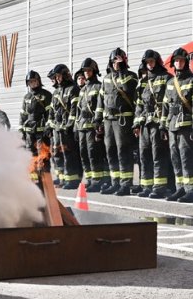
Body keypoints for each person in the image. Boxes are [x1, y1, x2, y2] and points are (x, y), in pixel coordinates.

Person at [161, 47, 193, 202]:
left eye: (181, 60)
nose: (178, 63)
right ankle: (180, 188)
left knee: (187, 158)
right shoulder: (171, 82)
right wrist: (163, 126)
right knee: (175, 158)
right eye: (176, 61)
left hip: (186, 127)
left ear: (186, 62)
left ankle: (192, 190)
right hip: (172, 126)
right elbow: (165, 107)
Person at [96, 48, 138, 196]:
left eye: (119, 61)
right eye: (114, 61)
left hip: (123, 120)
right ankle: (115, 182)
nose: (116, 64)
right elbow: (101, 101)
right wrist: (97, 120)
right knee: (111, 151)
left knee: (123, 151)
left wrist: (121, 71)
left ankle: (125, 184)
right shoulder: (106, 78)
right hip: (108, 120)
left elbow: (127, 89)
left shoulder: (130, 76)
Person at [133, 50, 173, 199]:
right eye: (147, 62)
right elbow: (139, 105)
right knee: (144, 155)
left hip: (158, 123)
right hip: (144, 124)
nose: (150, 64)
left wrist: (164, 125)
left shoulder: (166, 78)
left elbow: (169, 102)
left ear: (157, 62)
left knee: (158, 155)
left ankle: (159, 187)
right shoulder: (143, 82)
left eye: (152, 61)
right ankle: (146, 185)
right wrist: (136, 124)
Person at [73, 58, 110, 192]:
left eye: (89, 70)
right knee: (84, 153)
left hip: (92, 126)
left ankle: (97, 180)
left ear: (94, 71)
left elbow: (101, 107)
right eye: (85, 71)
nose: (86, 73)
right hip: (82, 126)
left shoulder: (98, 87)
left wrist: (99, 124)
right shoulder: (83, 89)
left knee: (94, 153)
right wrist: (75, 128)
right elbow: (78, 110)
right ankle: (89, 179)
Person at [49, 64, 83, 189]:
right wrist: (50, 125)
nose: (57, 78)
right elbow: (52, 111)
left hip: (68, 129)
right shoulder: (56, 91)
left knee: (69, 154)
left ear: (64, 75)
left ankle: (72, 180)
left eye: (59, 76)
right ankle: (62, 178)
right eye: (56, 77)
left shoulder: (73, 89)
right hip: (57, 129)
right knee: (57, 154)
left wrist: (69, 125)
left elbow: (74, 111)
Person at [19, 70, 53, 182]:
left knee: (43, 155)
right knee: (30, 155)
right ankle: (33, 177)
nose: (32, 83)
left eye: (34, 81)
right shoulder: (27, 97)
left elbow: (50, 113)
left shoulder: (46, 95)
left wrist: (48, 127)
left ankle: (45, 176)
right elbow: (23, 114)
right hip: (29, 132)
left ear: (38, 81)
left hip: (42, 132)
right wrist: (21, 130)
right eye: (30, 82)